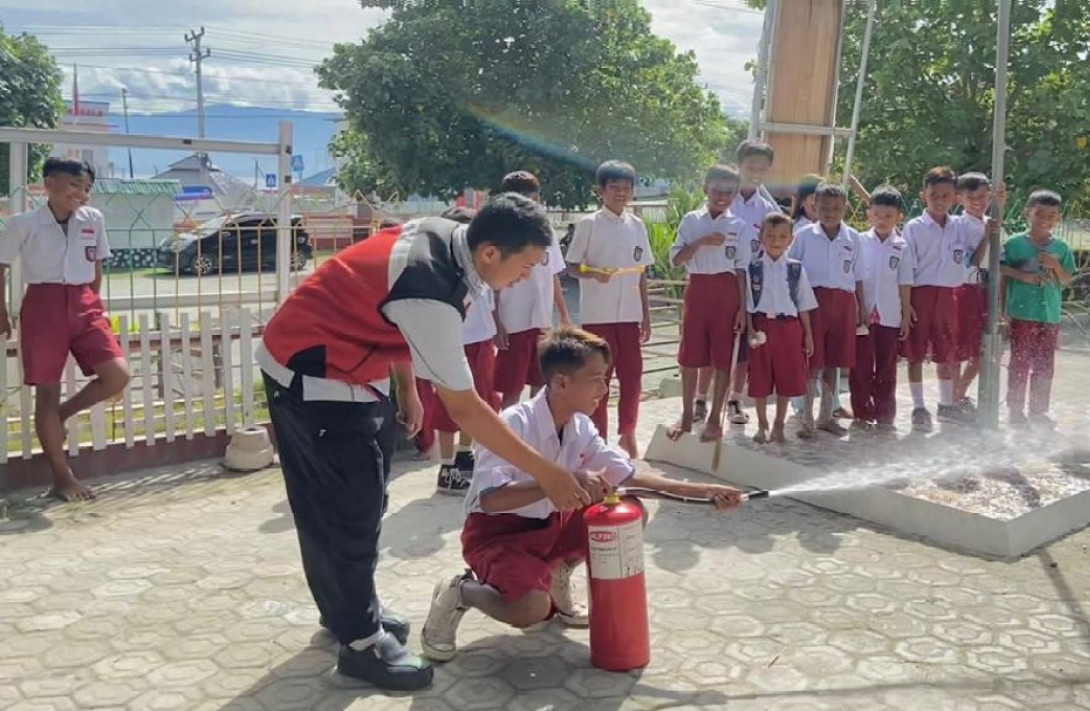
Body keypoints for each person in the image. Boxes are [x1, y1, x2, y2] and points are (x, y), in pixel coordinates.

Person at [258, 193, 589, 691]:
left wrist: (406, 387)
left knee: (353, 501)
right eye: (525, 267)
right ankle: (361, 645)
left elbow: (384, 305)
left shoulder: (449, 237)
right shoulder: (430, 289)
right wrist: (545, 470)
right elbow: (465, 408)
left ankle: (347, 613)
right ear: (491, 253)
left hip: (351, 366)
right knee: (348, 508)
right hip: (313, 373)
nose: (527, 279)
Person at [420, 326, 745, 661]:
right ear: (561, 382)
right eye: (596, 378)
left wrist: (705, 492)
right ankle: (461, 591)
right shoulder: (513, 423)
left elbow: (631, 479)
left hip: (551, 527)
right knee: (530, 609)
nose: (604, 389)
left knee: (628, 512)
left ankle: (558, 570)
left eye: (606, 378)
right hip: (498, 536)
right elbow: (489, 500)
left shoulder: (581, 427)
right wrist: (557, 480)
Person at [0, 157, 131, 502]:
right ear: (50, 184)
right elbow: (1, 267)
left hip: (84, 302)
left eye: (87, 188)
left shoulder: (93, 219)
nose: (82, 194)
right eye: (75, 185)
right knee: (46, 390)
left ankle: (62, 415)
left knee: (116, 374)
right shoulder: (23, 224)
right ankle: (62, 477)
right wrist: (1, 310)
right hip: (43, 305)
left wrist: (94, 305)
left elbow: (96, 265)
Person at [564, 160, 654, 458]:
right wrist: (593, 273)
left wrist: (645, 315)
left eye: (626, 188)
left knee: (633, 378)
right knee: (598, 381)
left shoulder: (637, 225)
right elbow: (572, 265)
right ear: (600, 191)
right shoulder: (589, 224)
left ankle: (627, 432)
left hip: (629, 315)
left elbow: (641, 272)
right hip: (598, 315)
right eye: (614, 187)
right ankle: (596, 439)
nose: (620, 193)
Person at [699, 140, 782, 427]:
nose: (755, 172)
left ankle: (735, 398)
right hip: (719, 281)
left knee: (745, 342)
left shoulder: (767, 208)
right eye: (750, 166)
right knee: (712, 344)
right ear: (739, 165)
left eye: (762, 167)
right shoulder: (722, 199)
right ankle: (700, 399)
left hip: (752, 281)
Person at [667, 164, 751, 443]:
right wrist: (701, 241)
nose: (721, 196)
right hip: (699, 289)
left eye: (728, 192)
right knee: (690, 356)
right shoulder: (692, 221)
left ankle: (716, 418)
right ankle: (688, 414)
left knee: (724, 357)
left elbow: (741, 270)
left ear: (736, 195)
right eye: (716, 190)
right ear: (706, 189)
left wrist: (742, 308)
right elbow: (677, 259)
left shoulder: (739, 227)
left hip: (727, 293)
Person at [901, 166, 976, 431]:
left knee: (947, 353)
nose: (939, 200)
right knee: (915, 352)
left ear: (955, 197)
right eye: (934, 195)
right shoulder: (915, 227)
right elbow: (906, 267)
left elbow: (974, 254)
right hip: (920, 295)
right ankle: (919, 407)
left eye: (945, 195)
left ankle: (946, 405)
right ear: (924, 195)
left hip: (948, 296)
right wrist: (906, 302)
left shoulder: (960, 227)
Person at [789, 183, 865, 438]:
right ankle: (806, 418)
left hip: (843, 304)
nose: (830, 213)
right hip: (813, 303)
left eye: (835, 208)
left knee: (834, 362)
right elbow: (792, 271)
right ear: (814, 206)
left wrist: (861, 309)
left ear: (845, 208)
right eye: (824, 207)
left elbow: (859, 277)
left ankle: (826, 416)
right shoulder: (804, 236)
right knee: (812, 362)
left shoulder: (853, 237)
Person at [491, 172, 570, 408]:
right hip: (513, 322)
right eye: (522, 199)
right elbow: (491, 283)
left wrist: (564, 314)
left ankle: (536, 436)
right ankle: (508, 439)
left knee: (541, 386)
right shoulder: (499, 234)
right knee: (512, 390)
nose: (529, 204)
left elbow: (553, 273)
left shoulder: (547, 231)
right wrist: (496, 321)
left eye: (533, 198)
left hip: (541, 322)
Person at [1001, 190, 1075, 429]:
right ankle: (1015, 408)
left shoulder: (1062, 248)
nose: (1045, 219)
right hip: (1022, 313)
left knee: (1044, 364)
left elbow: (1066, 280)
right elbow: (1000, 271)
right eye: (1039, 213)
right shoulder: (1014, 244)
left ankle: (1038, 409)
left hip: (1049, 315)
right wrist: (1004, 307)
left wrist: (1055, 265)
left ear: (1058, 218)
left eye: (1051, 215)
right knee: (1019, 362)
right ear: (1027, 213)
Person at [746, 212, 816, 444]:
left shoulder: (795, 270)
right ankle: (762, 424)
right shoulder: (753, 268)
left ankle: (778, 424)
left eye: (782, 236)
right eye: (771, 235)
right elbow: (747, 303)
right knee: (759, 378)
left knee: (787, 377)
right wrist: (750, 330)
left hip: (789, 327)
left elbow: (804, 303)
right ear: (761, 237)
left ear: (791, 240)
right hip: (761, 326)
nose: (776, 240)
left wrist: (808, 335)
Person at [852, 187, 913, 432]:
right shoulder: (858, 241)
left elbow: (905, 282)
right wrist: (858, 310)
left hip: (890, 315)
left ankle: (885, 414)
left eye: (888, 216)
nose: (882, 220)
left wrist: (906, 315)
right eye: (877, 214)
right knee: (861, 366)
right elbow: (854, 278)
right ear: (869, 214)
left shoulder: (902, 246)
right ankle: (861, 412)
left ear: (898, 216)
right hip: (864, 315)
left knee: (887, 367)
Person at [431, 287, 501, 494]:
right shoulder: (447, 267)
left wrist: (496, 325)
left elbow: (491, 299)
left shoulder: (484, 266)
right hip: (455, 342)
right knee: (447, 400)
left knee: (479, 398)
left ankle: (464, 453)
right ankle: (446, 467)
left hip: (482, 338)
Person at [951, 173, 1003, 409]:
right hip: (965, 289)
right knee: (960, 346)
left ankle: (960, 390)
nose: (978, 202)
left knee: (985, 347)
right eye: (972, 197)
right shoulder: (959, 225)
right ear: (960, 198)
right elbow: (972, 261)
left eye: (983, 196)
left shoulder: (992, 220)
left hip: (986, 289)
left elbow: (999, 262)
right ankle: (953, 395)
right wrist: (986, 235)